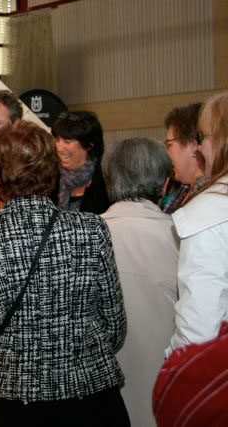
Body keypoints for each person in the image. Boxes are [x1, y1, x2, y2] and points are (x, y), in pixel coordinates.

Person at [0, 121, 128, 426]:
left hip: (9, 400)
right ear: (53, 170)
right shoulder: (91, 230)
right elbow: (114, 326)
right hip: (89, 395)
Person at [101, 137, 179, 427]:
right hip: (166, 387)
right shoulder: (180, 237)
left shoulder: (86, 236)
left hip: (102, 392)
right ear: (164, 183)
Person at [167, 92, 228, 355]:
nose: (199, 148)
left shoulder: (206, 215)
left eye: (202, 138)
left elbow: (199, 331)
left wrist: (173, 373)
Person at [52, 111, 111, 214]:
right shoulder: (51, 181)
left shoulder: (107, 185)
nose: (59, 148)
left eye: (67, 141)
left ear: (89, 145)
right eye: (57, 139)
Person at [159, 103, 207, 213]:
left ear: (192, 146)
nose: (166, 153)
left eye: (169, 145)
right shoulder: (185, 189)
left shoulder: (206, 197)